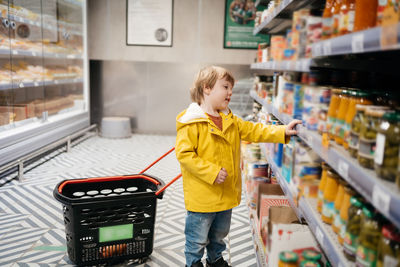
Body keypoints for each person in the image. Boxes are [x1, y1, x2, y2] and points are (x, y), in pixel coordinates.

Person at [175, 66, 301, 267]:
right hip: (203, 196)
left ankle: (215, 259)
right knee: (197, 237)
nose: (230, 92)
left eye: (231, 88)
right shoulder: (192, 123)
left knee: (219, 235)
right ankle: (194, 262)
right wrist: (212, 172)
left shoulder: (230, 120)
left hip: (226, 194)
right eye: (225, 87)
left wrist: (282, 131)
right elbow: (185, 155)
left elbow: (255, 130)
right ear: (207, 88)